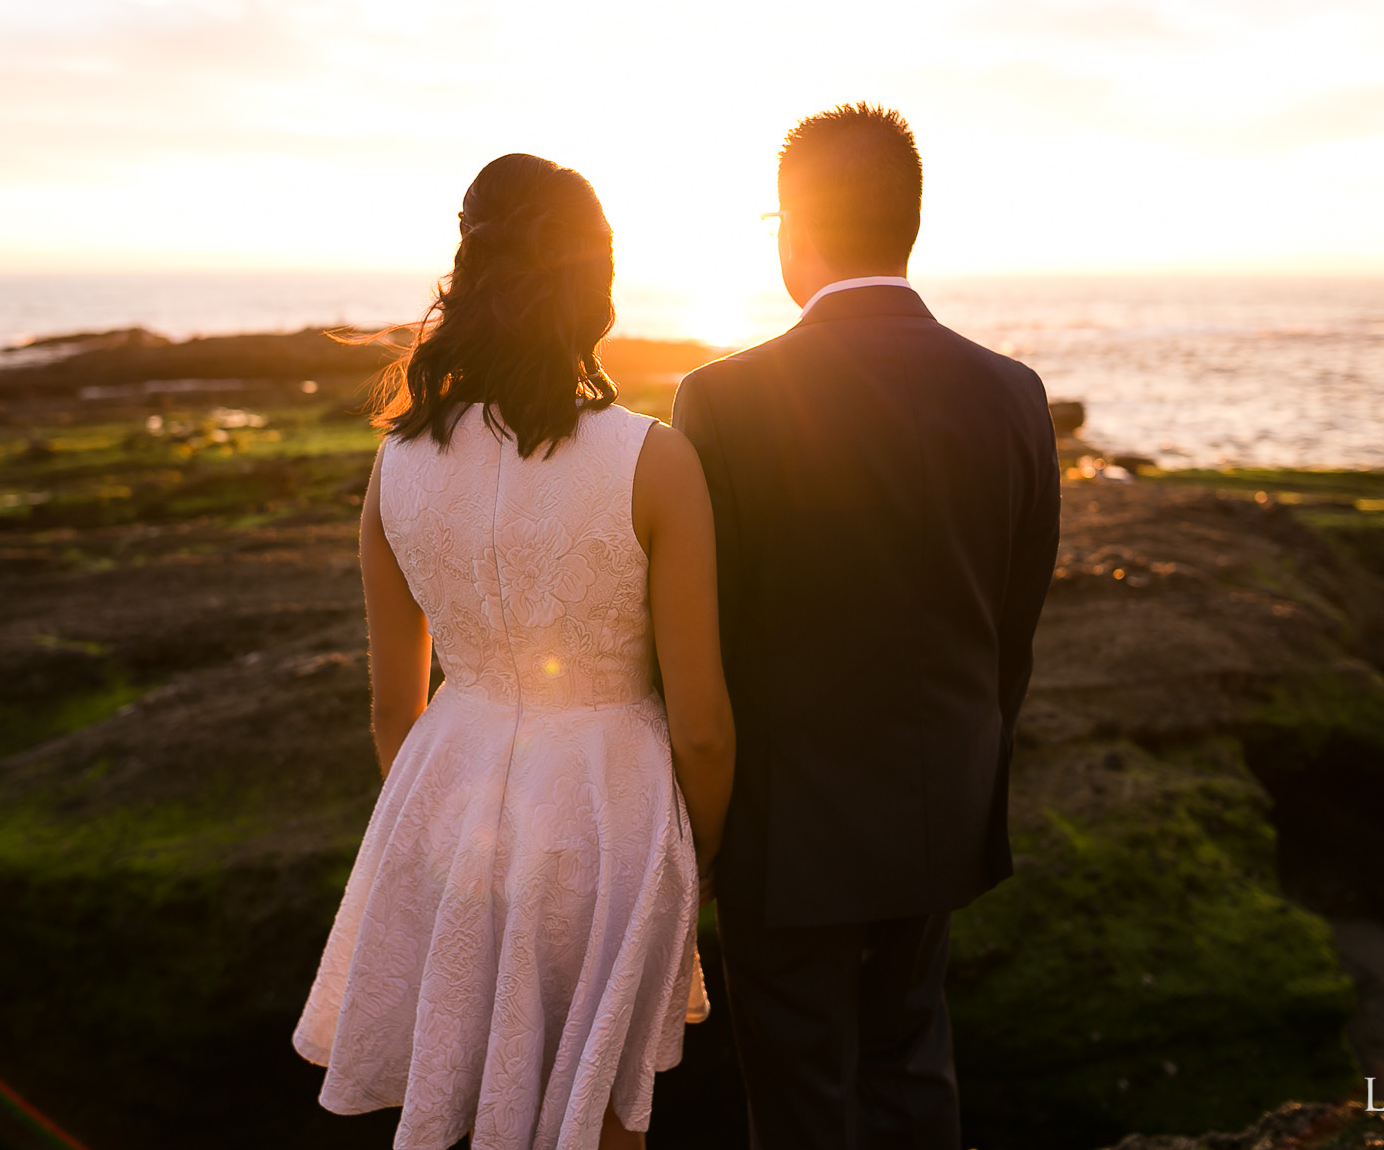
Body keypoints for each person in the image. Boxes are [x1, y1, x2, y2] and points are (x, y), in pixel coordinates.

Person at [295, 153, 736, 1150]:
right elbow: (702, 726)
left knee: (458, 1104)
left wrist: (432, 829)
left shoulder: (393, 464)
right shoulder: (653, 460)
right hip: (610, 812)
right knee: (598, 1117)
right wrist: (697, 859)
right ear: (597, 288)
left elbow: (388, 709)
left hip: (444, 797)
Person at [672, 104, 1061, 1149]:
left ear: (794, 230)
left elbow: (699, 639)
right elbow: (1010, 632)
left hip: (779, 823)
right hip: (941, 799)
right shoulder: (1014, 395)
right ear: (907, 225)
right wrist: (969, 761)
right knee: (911, 1072)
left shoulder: (718, 401)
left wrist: (700, 817)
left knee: (798, 1106)